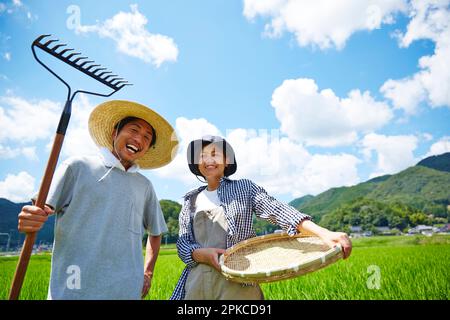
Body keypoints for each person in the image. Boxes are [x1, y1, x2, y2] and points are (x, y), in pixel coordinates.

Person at [17, 100, 178, 300]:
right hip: (73, 288)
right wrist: (30, 218)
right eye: (134, 130)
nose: (139, 139)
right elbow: (41, 209)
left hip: (126, 291)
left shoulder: (144, 186)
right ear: (114, 133)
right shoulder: (77, 167)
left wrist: (148, 273)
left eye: (147, 137)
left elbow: (156, 232)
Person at [171, 135, 352, 300]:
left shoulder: (244, 188)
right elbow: (183, 243)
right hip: (196, 286)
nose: (208, 160)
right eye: (202, 156)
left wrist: (323, 233)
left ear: (227, 161)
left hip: (238, 281)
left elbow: (279, 211)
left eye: (215, 154)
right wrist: (200, 254)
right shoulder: (190, 200)